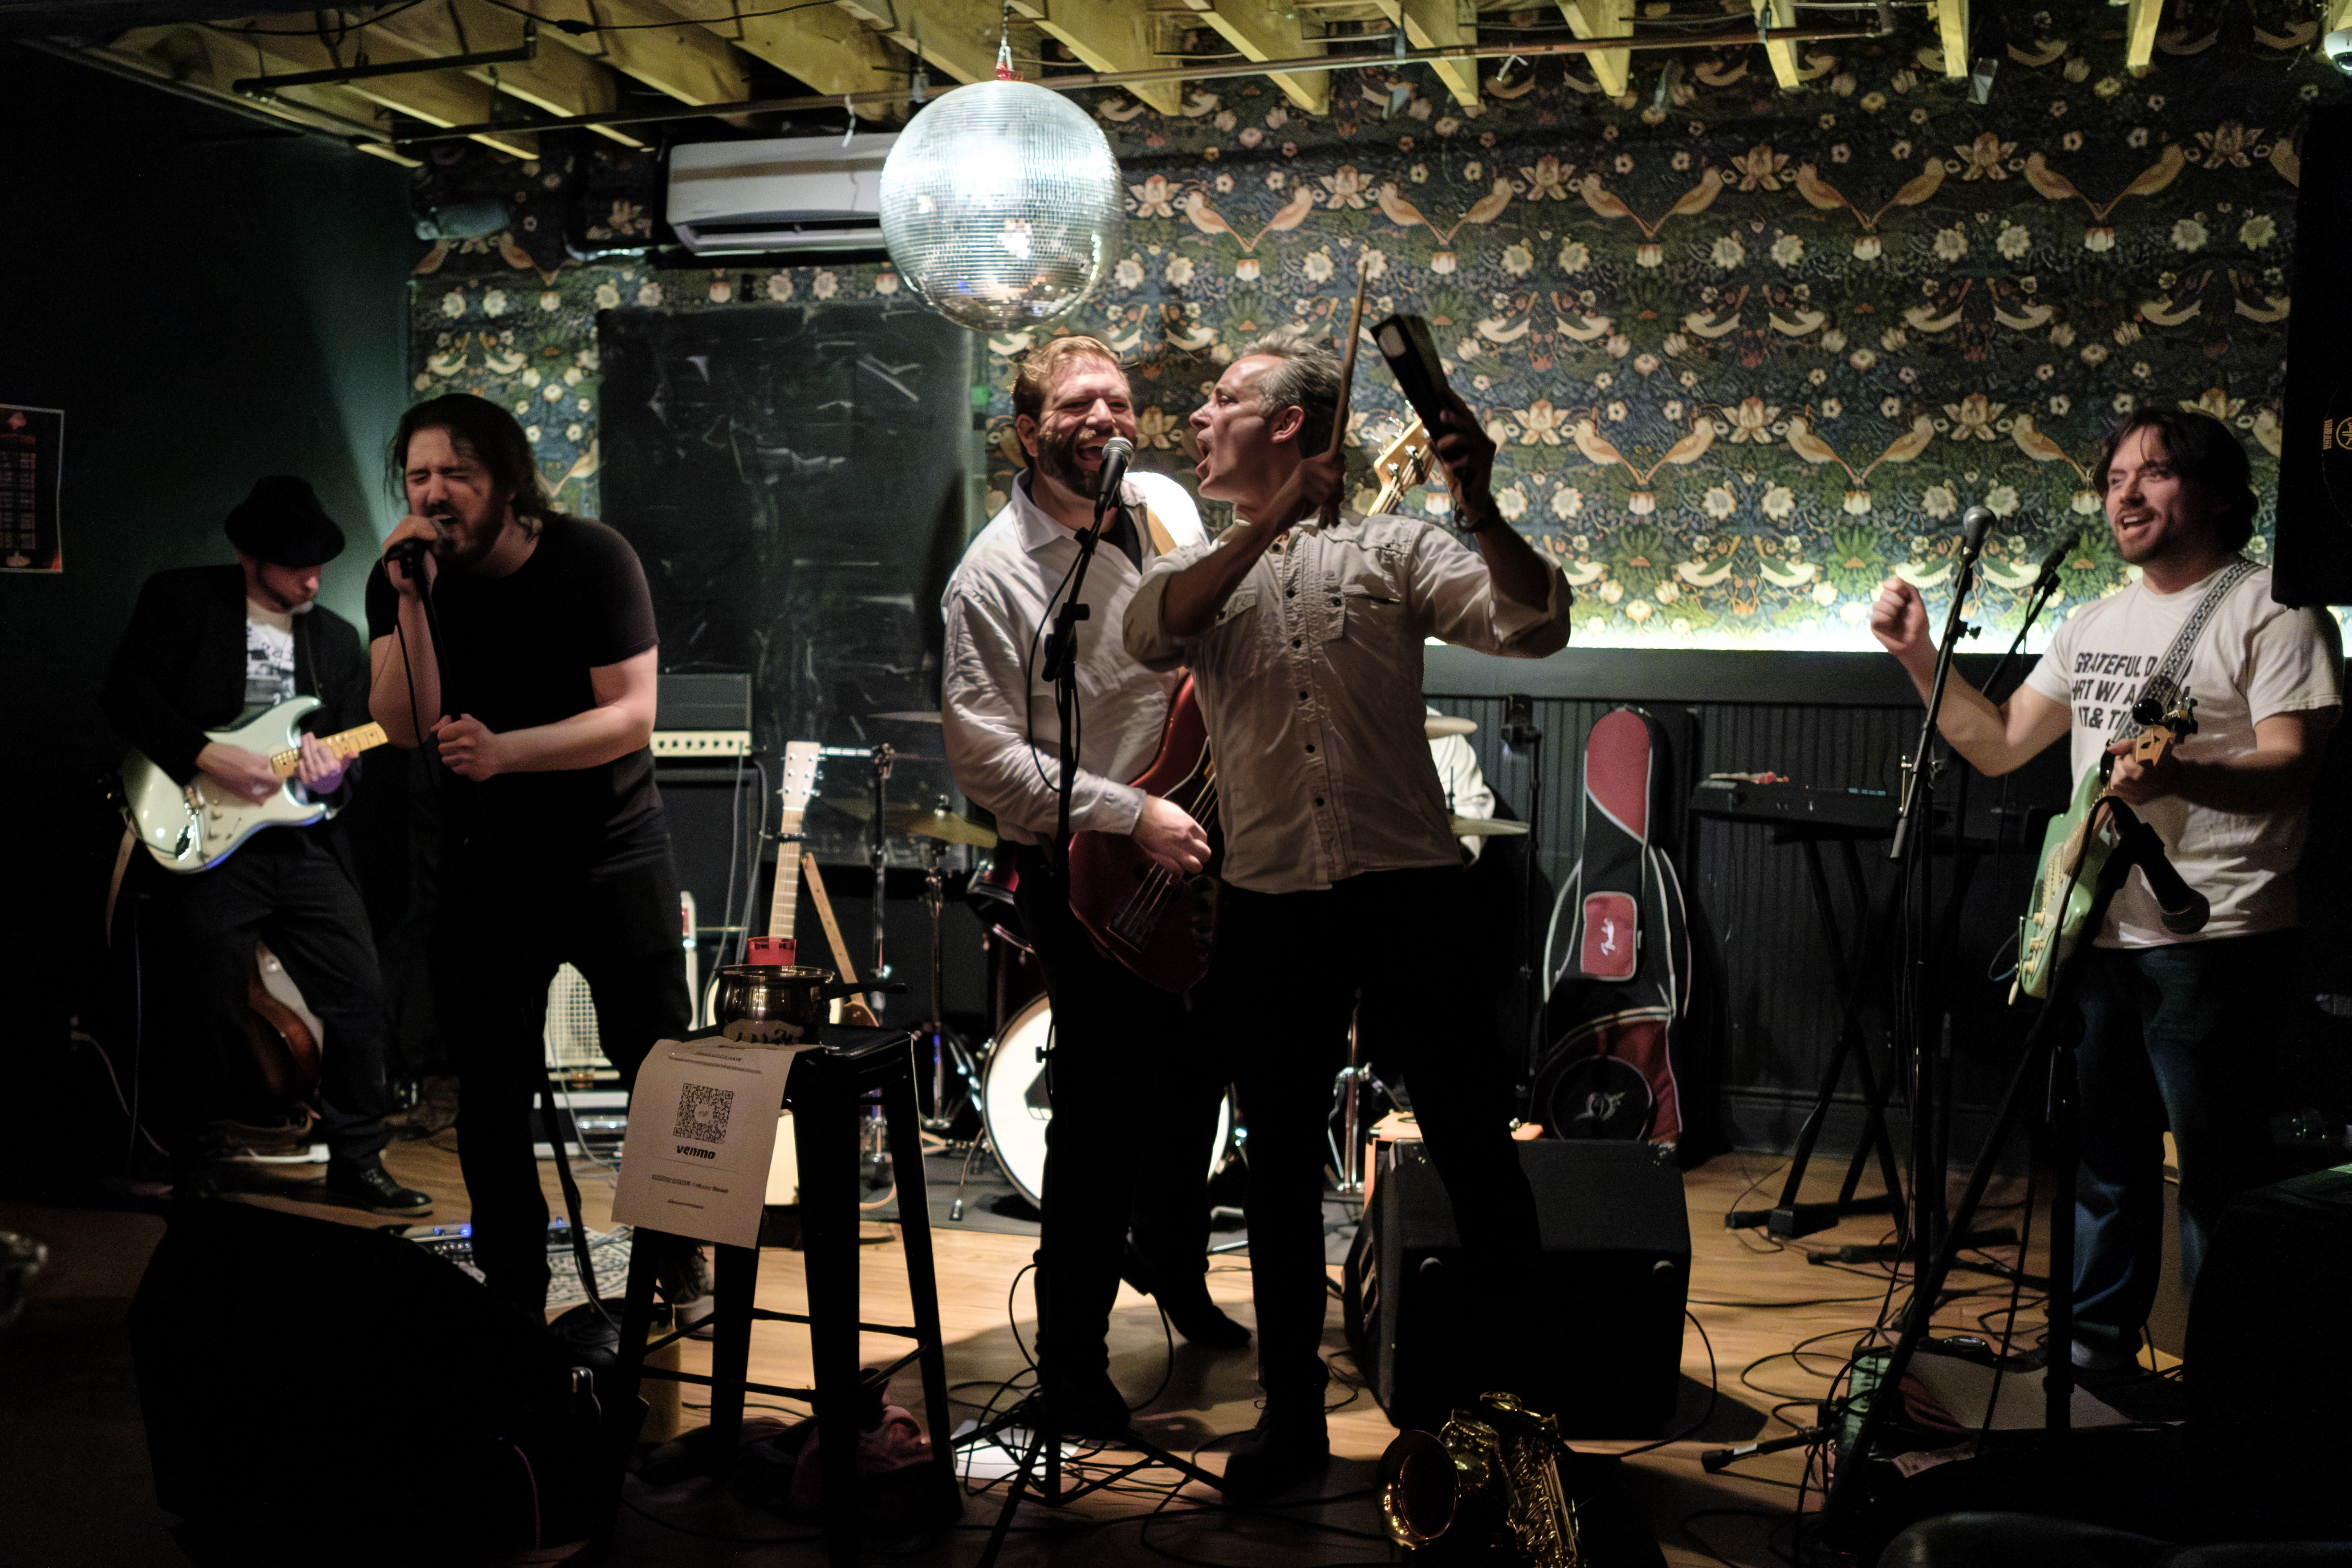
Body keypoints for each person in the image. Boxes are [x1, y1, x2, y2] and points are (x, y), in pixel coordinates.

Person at [1124, 328, 1572, 1500]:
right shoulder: (1194, 570)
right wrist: (1269, 524)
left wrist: (1479, 504)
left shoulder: (1395, 546)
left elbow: (1534, 623)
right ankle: (1291, 1423)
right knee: (1275, 1167)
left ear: (1287, 426)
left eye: (1222, 399)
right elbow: (1144, 631)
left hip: (1412, 887)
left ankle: (1515, 1411)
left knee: (1474, 1148)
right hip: (1271, 901)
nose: (1199, 416)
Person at [1869, 407, 2340, 1381]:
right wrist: (1920, 657)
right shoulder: (2091, 619)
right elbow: (1998, 743)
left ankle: (2226, 1385)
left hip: (2215, 931)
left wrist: (2183, 775)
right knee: (2103, 1165)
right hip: (2098, 931)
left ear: (2214, 492)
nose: (2124, 493)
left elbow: (2293, 766)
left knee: (2217, 1178)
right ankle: (2093, 1362)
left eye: (2154, 472)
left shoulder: (2273, 609)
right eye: (2114, 477)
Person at [941, 335, 1247, 1437]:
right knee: (1100, 1107)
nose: (1107, 417)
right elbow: (983, 757)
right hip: (1080, 858)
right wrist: (1131, 814)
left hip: (1195, 827)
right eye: (1078, 404)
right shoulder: (993, 574)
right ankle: (1069, 1361)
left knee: (1203, 1066)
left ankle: (1170, 1262)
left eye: (1119, 400)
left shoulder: (1165, 504)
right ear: (1028, 432)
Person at [365, 393, 699, 1325]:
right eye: (420, 475)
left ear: (508, 484)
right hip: (484, 864)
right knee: (490, 1090)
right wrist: (405, 599)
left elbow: (632, 716)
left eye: (457, 475)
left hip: (608, 853)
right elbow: (401, 723)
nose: (435, 494)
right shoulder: (407, 576)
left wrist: (510, 751)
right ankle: (511, 1284)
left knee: (658, 1073)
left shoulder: (591, 559)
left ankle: (674, 1261)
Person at [100, 476, 429, 1214]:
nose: (313, 579)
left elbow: (356, 751)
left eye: (319, 563)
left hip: (303, 845)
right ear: (248, 556)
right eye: (294, 565)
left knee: (361, 993)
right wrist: (206, 755)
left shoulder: (337, 640)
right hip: (208, 834)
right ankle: (198, 1162)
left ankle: (356, 1160)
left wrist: (336, 769)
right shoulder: (184, 601)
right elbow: (125, 690)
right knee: (206, 1008)